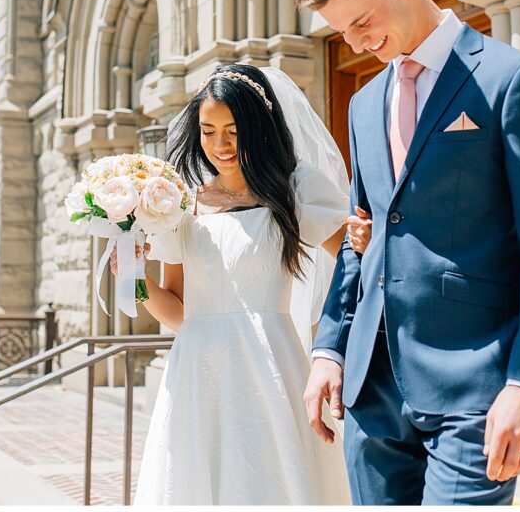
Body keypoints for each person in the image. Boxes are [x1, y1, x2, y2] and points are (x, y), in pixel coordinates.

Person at [299, 0, 520, 505]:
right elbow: (363, 237)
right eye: (341, 31)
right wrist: (330, 348)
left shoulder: (514, 79)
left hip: (476, 386)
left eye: (360, 22)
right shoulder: (362, 103)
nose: (354, 44)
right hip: (371, 394)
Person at [125, 63, 353, 505]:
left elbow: (354, 265)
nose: (220, 145)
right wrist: (134, 279)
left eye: (233, 129)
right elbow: (179, 311)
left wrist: (333, 346)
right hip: (197, 369)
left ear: (258, 126)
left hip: (271, 364)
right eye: (208, 131)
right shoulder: (183, 204)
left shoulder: (295, 189)